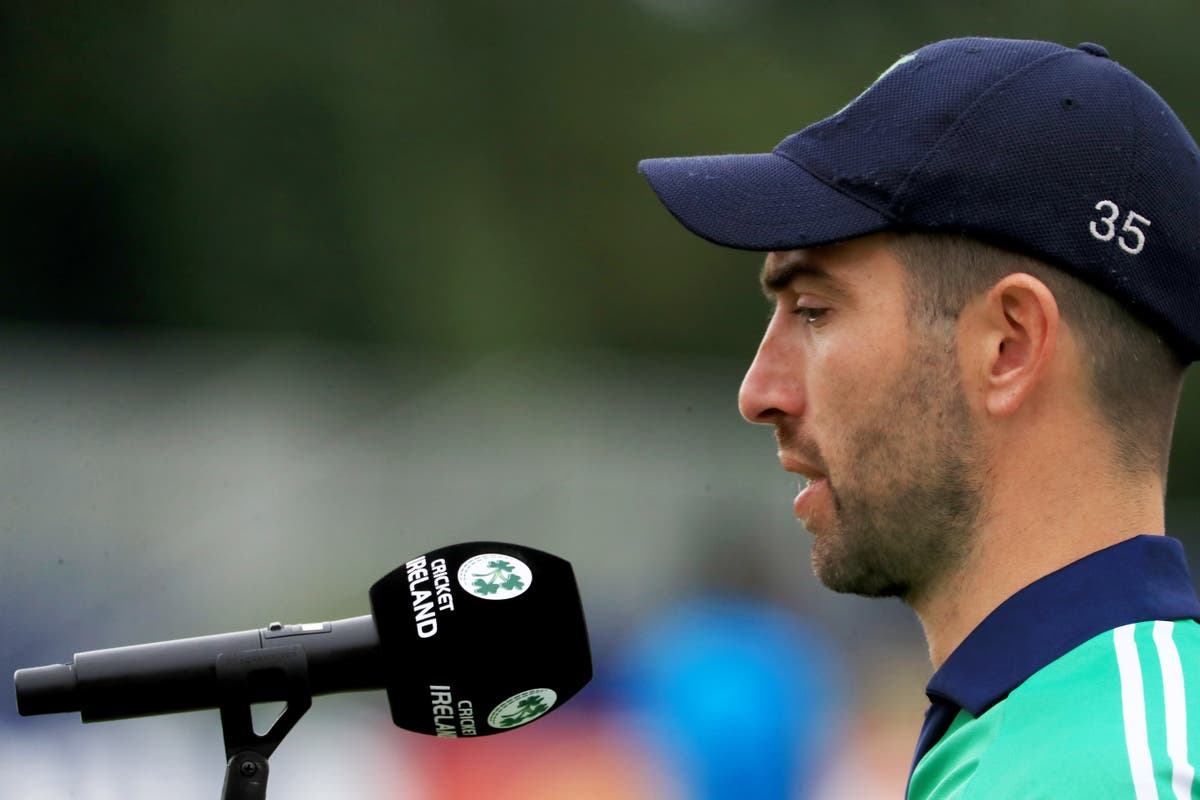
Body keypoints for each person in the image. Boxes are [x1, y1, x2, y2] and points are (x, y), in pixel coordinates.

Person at [637, 37, 1200, 798]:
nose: (757, 392)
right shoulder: (1045, 738)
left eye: (813, 310)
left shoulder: (1114, 775)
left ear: (1008, 345)